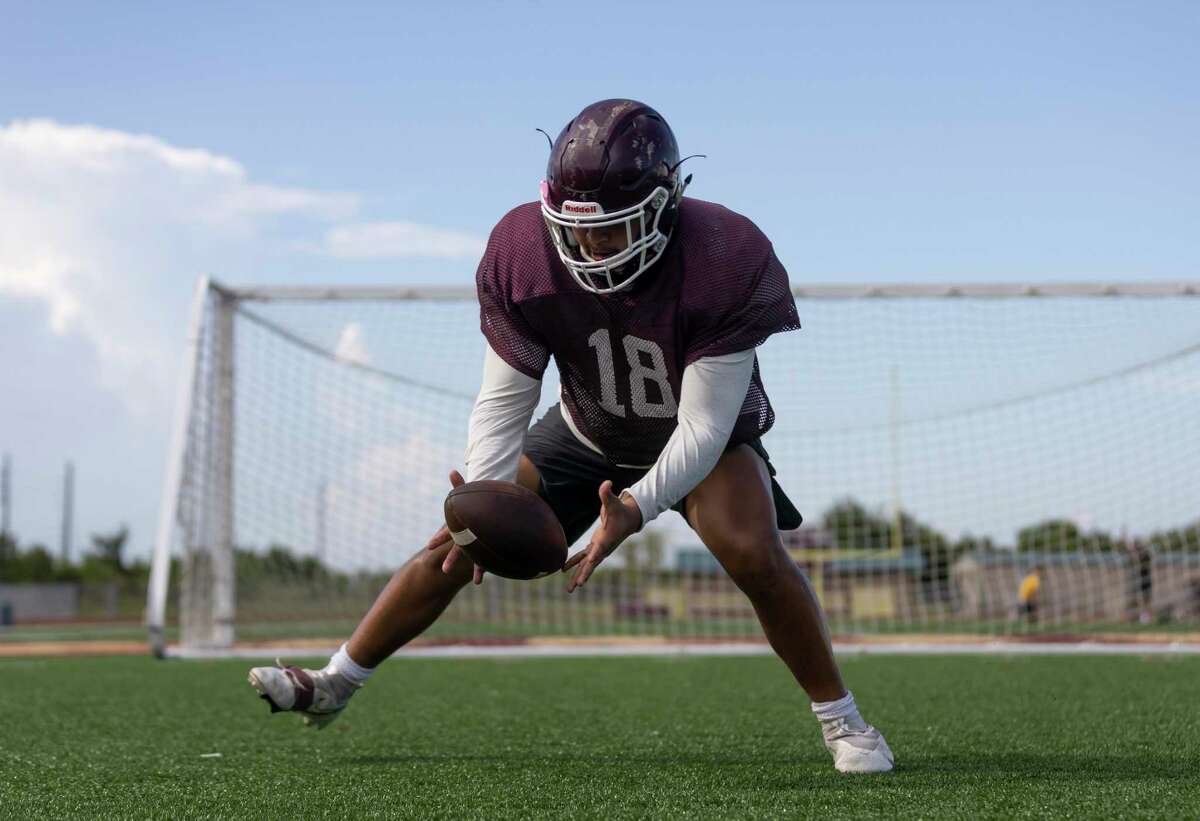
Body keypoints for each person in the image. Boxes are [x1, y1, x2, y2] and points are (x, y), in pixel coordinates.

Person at [248, 99, 893, 774]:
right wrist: (487, 493)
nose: (592, 248)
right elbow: (506, 396)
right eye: (578, 231)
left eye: (612, 231)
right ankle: (334, 683)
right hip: (586, 430)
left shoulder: (724, 256)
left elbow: (703, 425)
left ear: (664, 207)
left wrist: (636, 507)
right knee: (456, 541)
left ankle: (844, 722)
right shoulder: (522, 251)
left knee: (752, 551)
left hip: (699, 440)